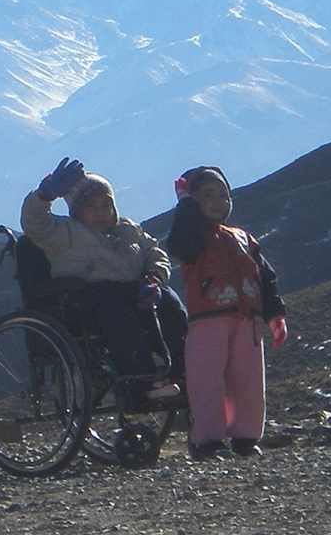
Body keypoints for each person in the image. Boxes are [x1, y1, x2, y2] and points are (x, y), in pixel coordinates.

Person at [20, 158, 188, 403]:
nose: (100, 212)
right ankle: (140, 381)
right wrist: (44, 195)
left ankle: (183, 374)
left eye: (106, 205)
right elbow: (34, 223)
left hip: (134, 292)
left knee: (169, 302)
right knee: (112, 304)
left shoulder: (128, 229)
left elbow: (154, 253)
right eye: (90, 206)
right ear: (76, 210)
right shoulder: (64, 232)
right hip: (84, 299)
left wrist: (154, 278)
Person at [166, 166, 287, 459]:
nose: (218, 201)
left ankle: (246, 438)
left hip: (248, 322)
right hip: (208, 321)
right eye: (208, 195)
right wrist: (186, 207)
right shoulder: (192, 236)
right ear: (193, 200)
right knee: (208, 381)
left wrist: (275, 314)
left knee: (248, 382)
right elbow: (183, 246)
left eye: (223, 195)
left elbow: (265, 278)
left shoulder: (244, 238)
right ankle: (206, 440)